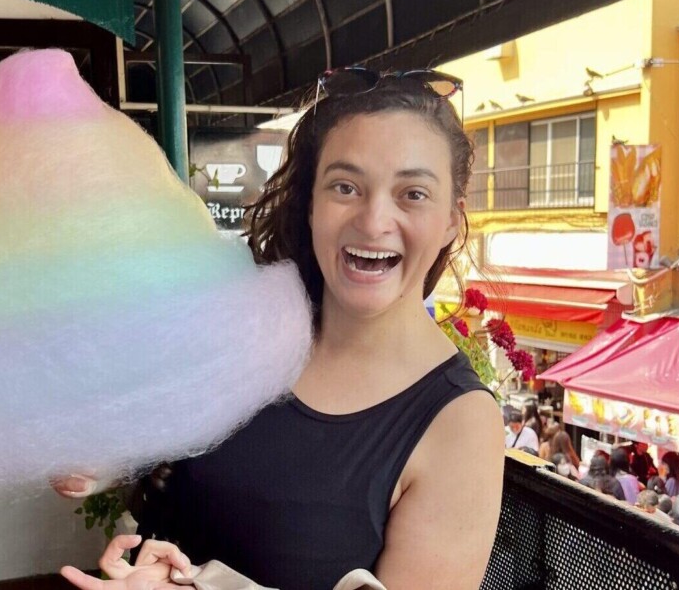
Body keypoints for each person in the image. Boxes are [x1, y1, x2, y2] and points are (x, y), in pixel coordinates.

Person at [54, 68, 505, 590]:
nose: (374, 219)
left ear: (452, 219)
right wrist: (100, 454)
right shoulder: (251, 325)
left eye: (413, 194)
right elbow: (165, 437)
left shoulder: (458, 424)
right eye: (345, 186)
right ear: (311, 204)